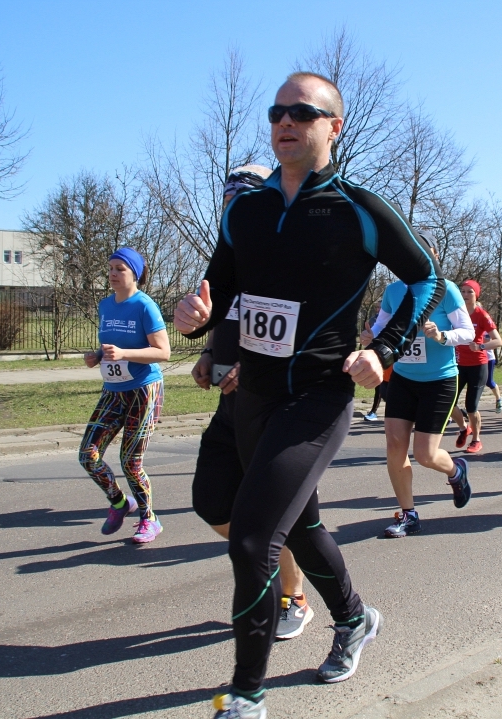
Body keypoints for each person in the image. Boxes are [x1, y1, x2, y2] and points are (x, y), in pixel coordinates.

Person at [174, 72, 444, 717]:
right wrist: (195, 318)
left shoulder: (359, 209)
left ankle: (246, 696)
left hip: (319, 398)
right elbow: (220, 290)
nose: (285, 122)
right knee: (297, 523)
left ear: (333, 127)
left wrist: (384, 350)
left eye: (301, 112)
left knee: (253, 539)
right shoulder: (245, 210)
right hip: (254, 395)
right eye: (277, 113)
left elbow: (428, 279)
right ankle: (355, 618)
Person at [190, 165, 313, 642]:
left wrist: (255, 367)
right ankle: (270, 563)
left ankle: (293, 596)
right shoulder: (227, 260)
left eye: (242, 204)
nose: (233, 214)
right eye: (227, 207)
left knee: (279, 518)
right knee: (210, 501)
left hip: (276, 409)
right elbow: (221, 319)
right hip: (229, 407)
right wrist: (207, 353)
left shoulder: (288, 258)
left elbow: (310, 334)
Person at [371, 230, 475, 538]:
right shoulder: (393, 291)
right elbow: (380, 326)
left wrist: (442, 336)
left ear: (434, 255)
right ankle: (409, 515)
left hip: (439, 380)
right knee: (395, 446)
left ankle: (456, 471)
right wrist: (370, 336)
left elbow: (467, 332)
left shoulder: (447, 289)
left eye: (424, 249)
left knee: (426, 455)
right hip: (403, 378)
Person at [80, 248, 171, 544]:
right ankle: (120, 503)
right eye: (110, 268)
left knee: (130, 461)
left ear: (135, 274)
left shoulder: (145, 306)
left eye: (120, 269)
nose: (113, 274)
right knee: (87, 455)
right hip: (113, 391)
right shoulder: (106, 305)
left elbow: (163, 352)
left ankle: (149, 519)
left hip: (144, 390)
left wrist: (124, 354)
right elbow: (110, 346)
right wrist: (96, 356)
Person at [452, 280, 501, 453]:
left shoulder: (482, 315)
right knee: (448, 402)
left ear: (476, 295)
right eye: (463, 291)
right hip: (459, 364)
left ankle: (476, 440)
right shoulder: (456, 313)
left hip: (478, 366)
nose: (465, 295)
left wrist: (480, 346)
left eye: (469, 292)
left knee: (471, 406)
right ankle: (464, 428)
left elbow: (498, 340)